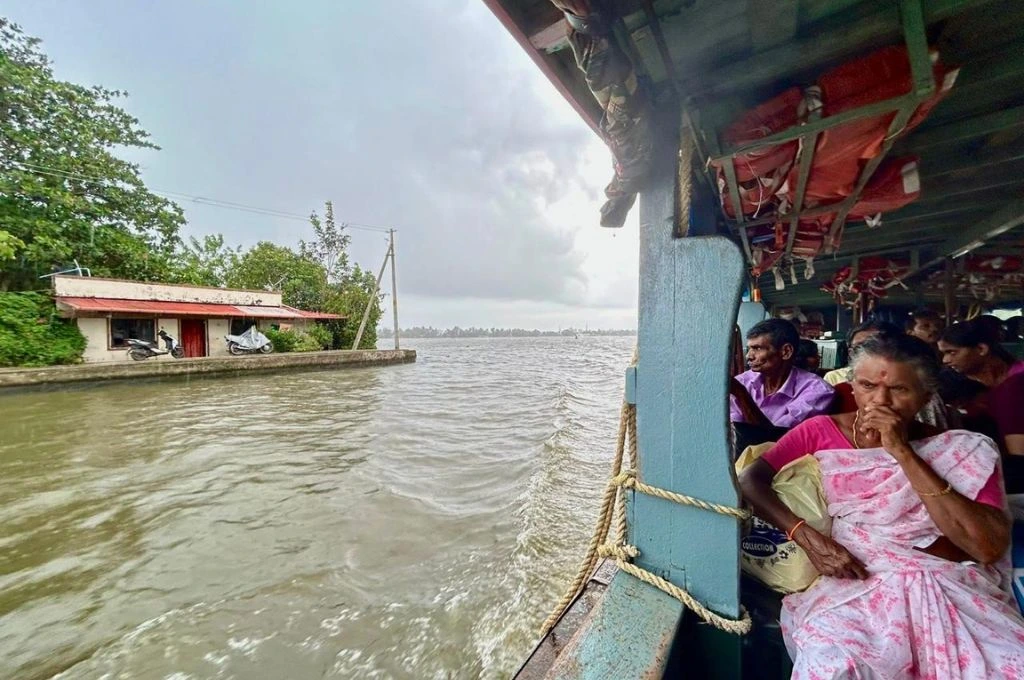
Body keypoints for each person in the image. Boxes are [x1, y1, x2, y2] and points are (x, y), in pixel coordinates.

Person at [739, 334, 1024, 678]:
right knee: (833, 666)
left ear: (926, 395)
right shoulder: (820, 430)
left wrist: (902, 451)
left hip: (951, 583)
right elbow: (751, 480)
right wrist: (807, 537)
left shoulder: (962, 449)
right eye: (867, 385)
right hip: (855, 582)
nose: (880, 401)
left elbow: (986, 547)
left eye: (900, 390)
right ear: (853, 386)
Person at [939, 319, 1024, 495]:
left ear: (981, 349)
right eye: (944, 353)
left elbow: (1020, 456)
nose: (946, 360)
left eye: (952, 352)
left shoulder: (1013, 387)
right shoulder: (995, 385)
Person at [730, 319, 834, 429]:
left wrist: (742, 395)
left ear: (786, 351)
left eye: (757, 348)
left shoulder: (817, 391)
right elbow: (735, 431)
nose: (749, 356)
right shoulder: (742, 381)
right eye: (749, 349)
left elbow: (777, 439)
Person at [822, 319, 903, 386]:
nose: (866, 352)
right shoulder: (834, 378)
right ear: (851, 353)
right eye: (859, 347)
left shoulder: (903, 376)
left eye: (873, 346)